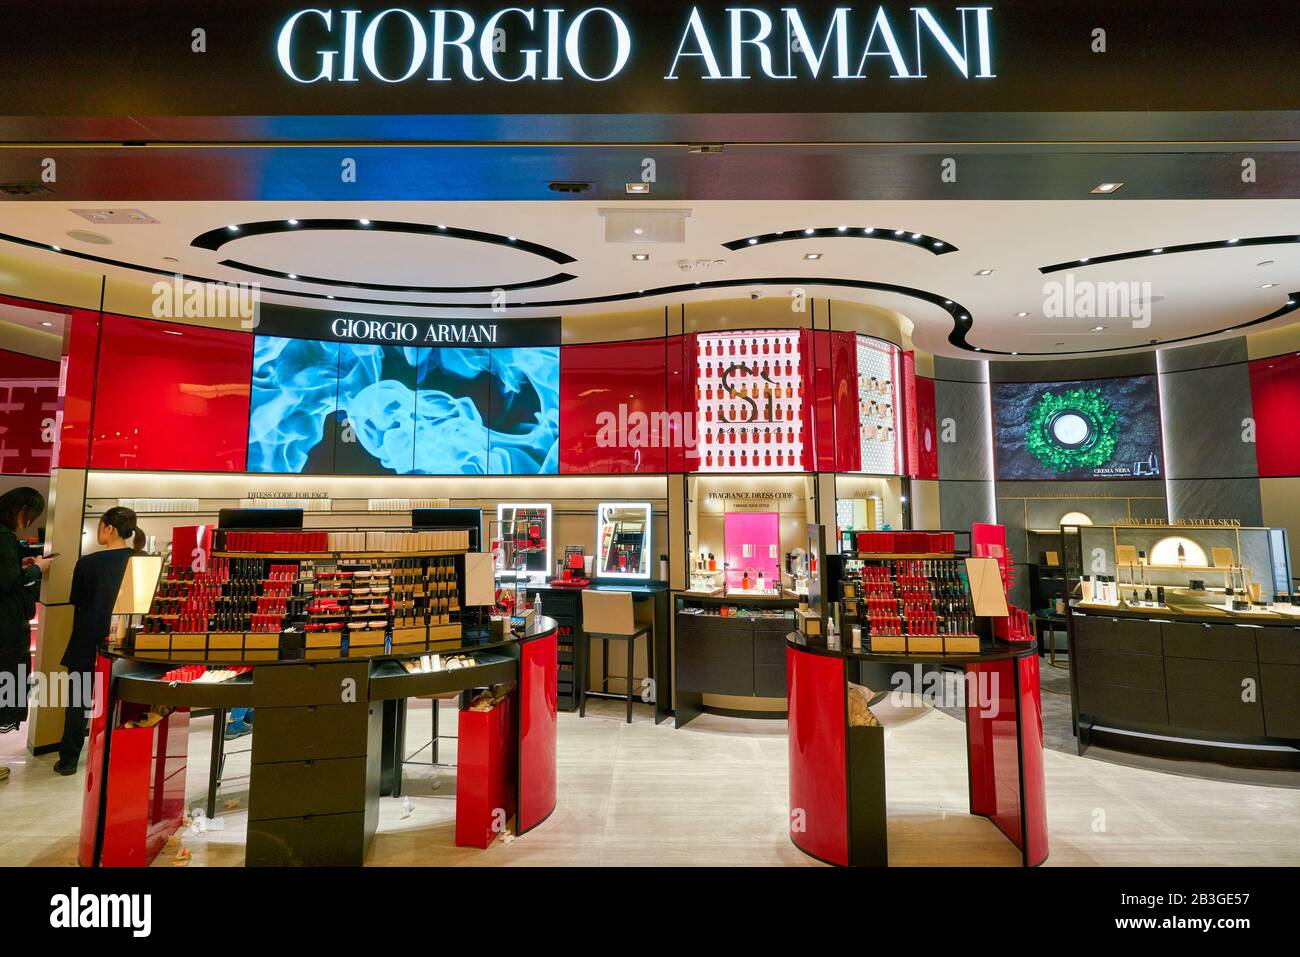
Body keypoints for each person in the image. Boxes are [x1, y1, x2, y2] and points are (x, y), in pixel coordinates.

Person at [53, 506, 140, 776]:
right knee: (122, 698)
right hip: (126, 640)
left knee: (77, 700)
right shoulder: (142, 560)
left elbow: (77, 601)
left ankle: (68, 760)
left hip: (87, 637)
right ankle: (120, 753)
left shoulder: (89, 563)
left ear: (109, 527)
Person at [0, 487, 52, 783]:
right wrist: (37, 569)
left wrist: (20, 565)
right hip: (4, 631)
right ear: (19, 510)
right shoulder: (4, 538)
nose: (28, 522)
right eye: (28, 515)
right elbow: (8, 584)